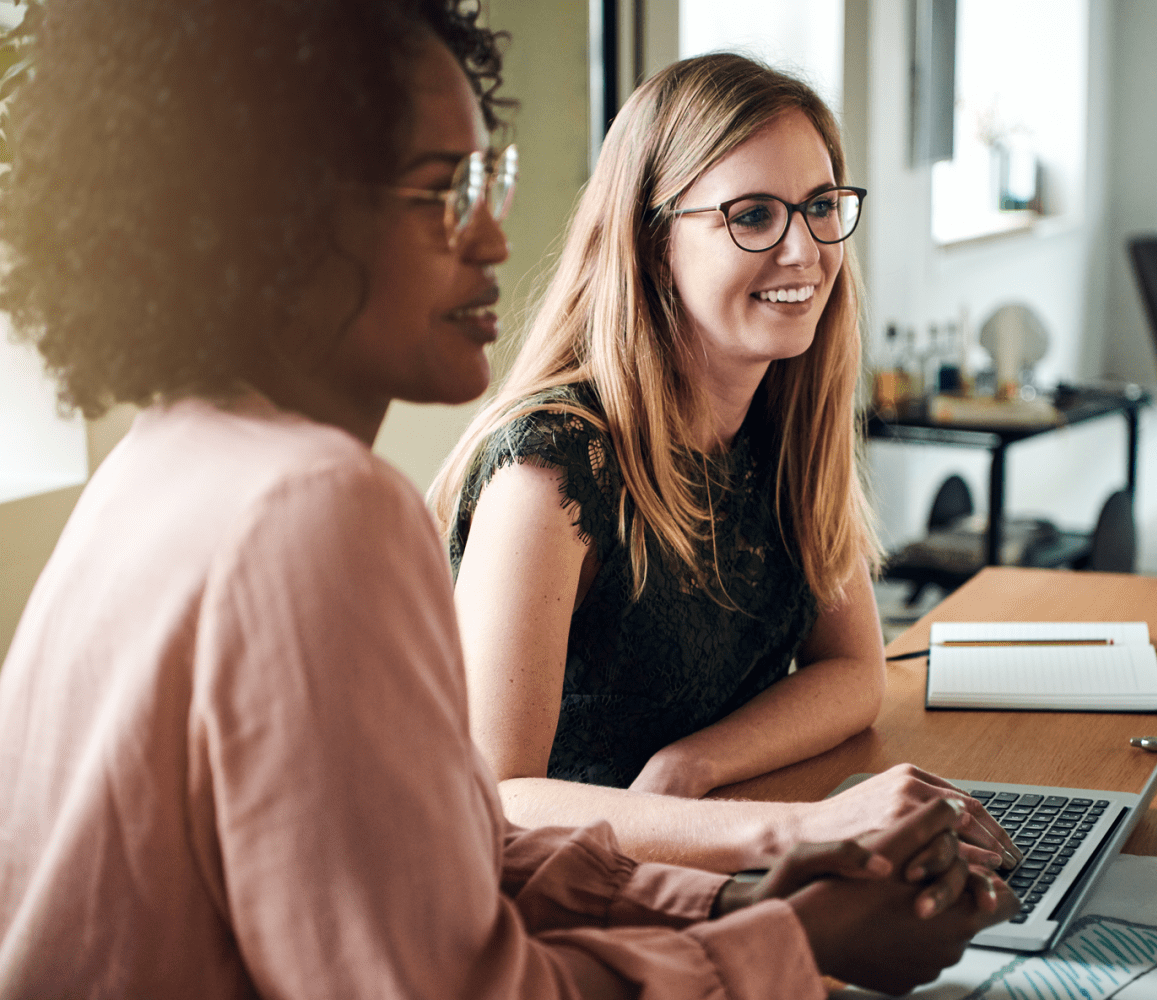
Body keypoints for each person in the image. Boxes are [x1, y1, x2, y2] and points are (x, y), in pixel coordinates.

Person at [0, 2, 1016, 997]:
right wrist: (783, 933)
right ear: (280, 216)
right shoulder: (315, 508)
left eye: (490, 179)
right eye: (444, 190)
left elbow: (448, 855)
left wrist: (723, 901)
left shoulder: (162, 458)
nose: (492, 237)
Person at [430, 52, 1020, 874]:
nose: (803, 251)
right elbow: (494, 795)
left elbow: (854, 672)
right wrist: (799, 830)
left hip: (704, 858)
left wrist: (694, 765)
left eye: (819, 207)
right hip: (574, 903)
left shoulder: (788, 411)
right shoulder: (553, 464)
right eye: (751, 217)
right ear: (650, 236)